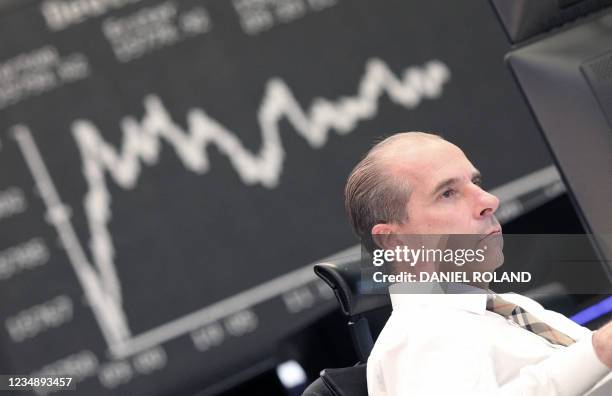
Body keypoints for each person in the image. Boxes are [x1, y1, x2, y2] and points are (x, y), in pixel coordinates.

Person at [343, 132, 612, 395]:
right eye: (447, 193)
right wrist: (599, 350)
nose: (489, 200)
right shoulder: (416, 337)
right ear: (393, 240)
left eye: (476, 182)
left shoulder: (514, 308)